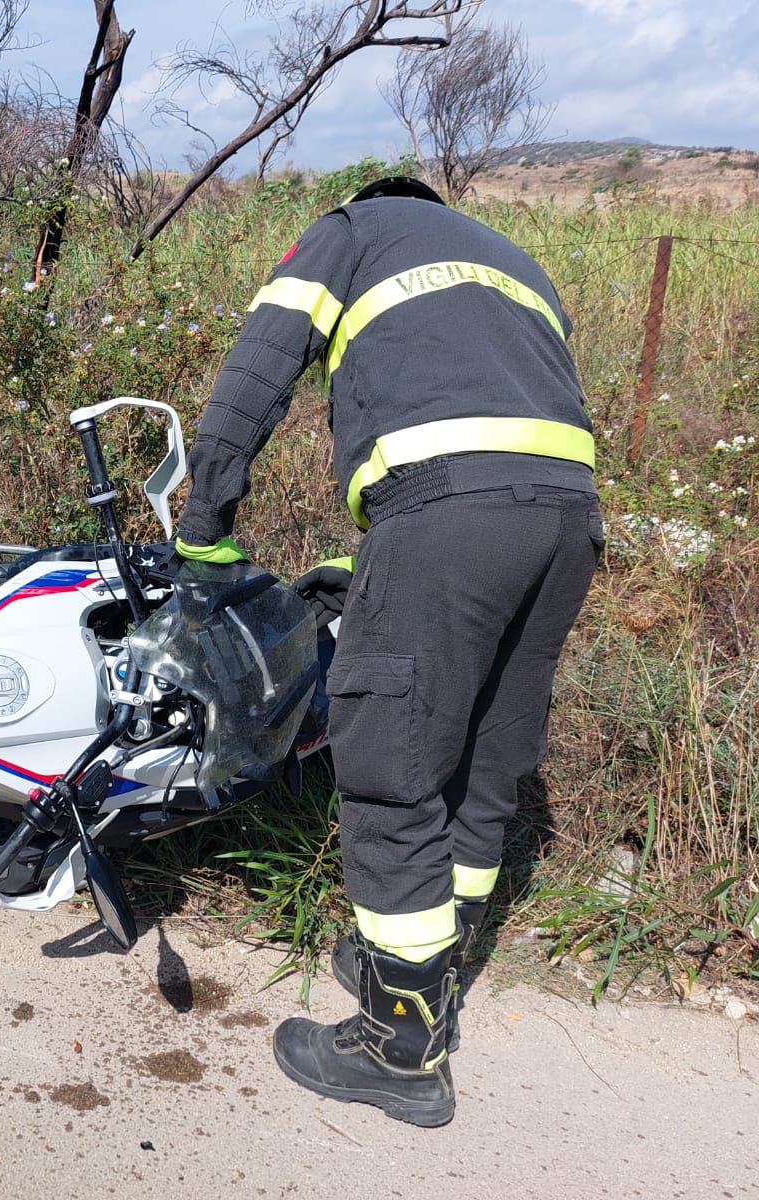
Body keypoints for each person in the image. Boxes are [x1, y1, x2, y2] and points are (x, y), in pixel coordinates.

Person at [174, 176, 602, 1127]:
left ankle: (397, 1045)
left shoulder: (355, 228)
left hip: (445, 505)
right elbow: (494, 418)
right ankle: (425, 967)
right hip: (568, 516)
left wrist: (206, 525)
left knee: (388, 756)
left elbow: (260, 366)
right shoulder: (513, 259)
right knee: (487, 761)